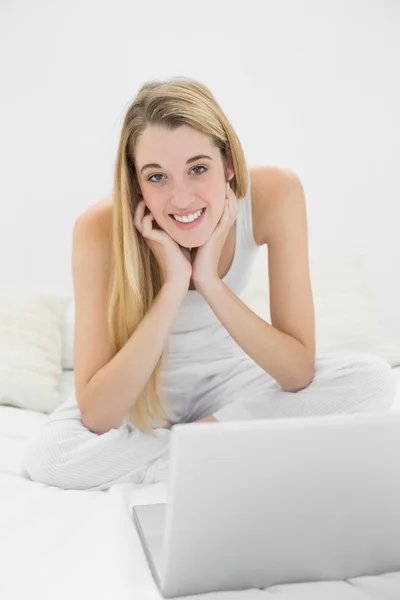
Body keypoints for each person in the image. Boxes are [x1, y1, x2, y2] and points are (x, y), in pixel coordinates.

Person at [21, 77, 396, 491]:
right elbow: (98, 416)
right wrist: (173, 287)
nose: (181, 199)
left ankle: (197, 447)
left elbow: (296, 372)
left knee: (373, 380)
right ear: (135, 183)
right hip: (139, 398)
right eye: (157, 177)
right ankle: (220, 447)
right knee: (50, 455)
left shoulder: (275, 193)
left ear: (229, 163)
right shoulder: (98, 229)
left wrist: (209, 282)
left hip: (232, 384)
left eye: (198, 169)